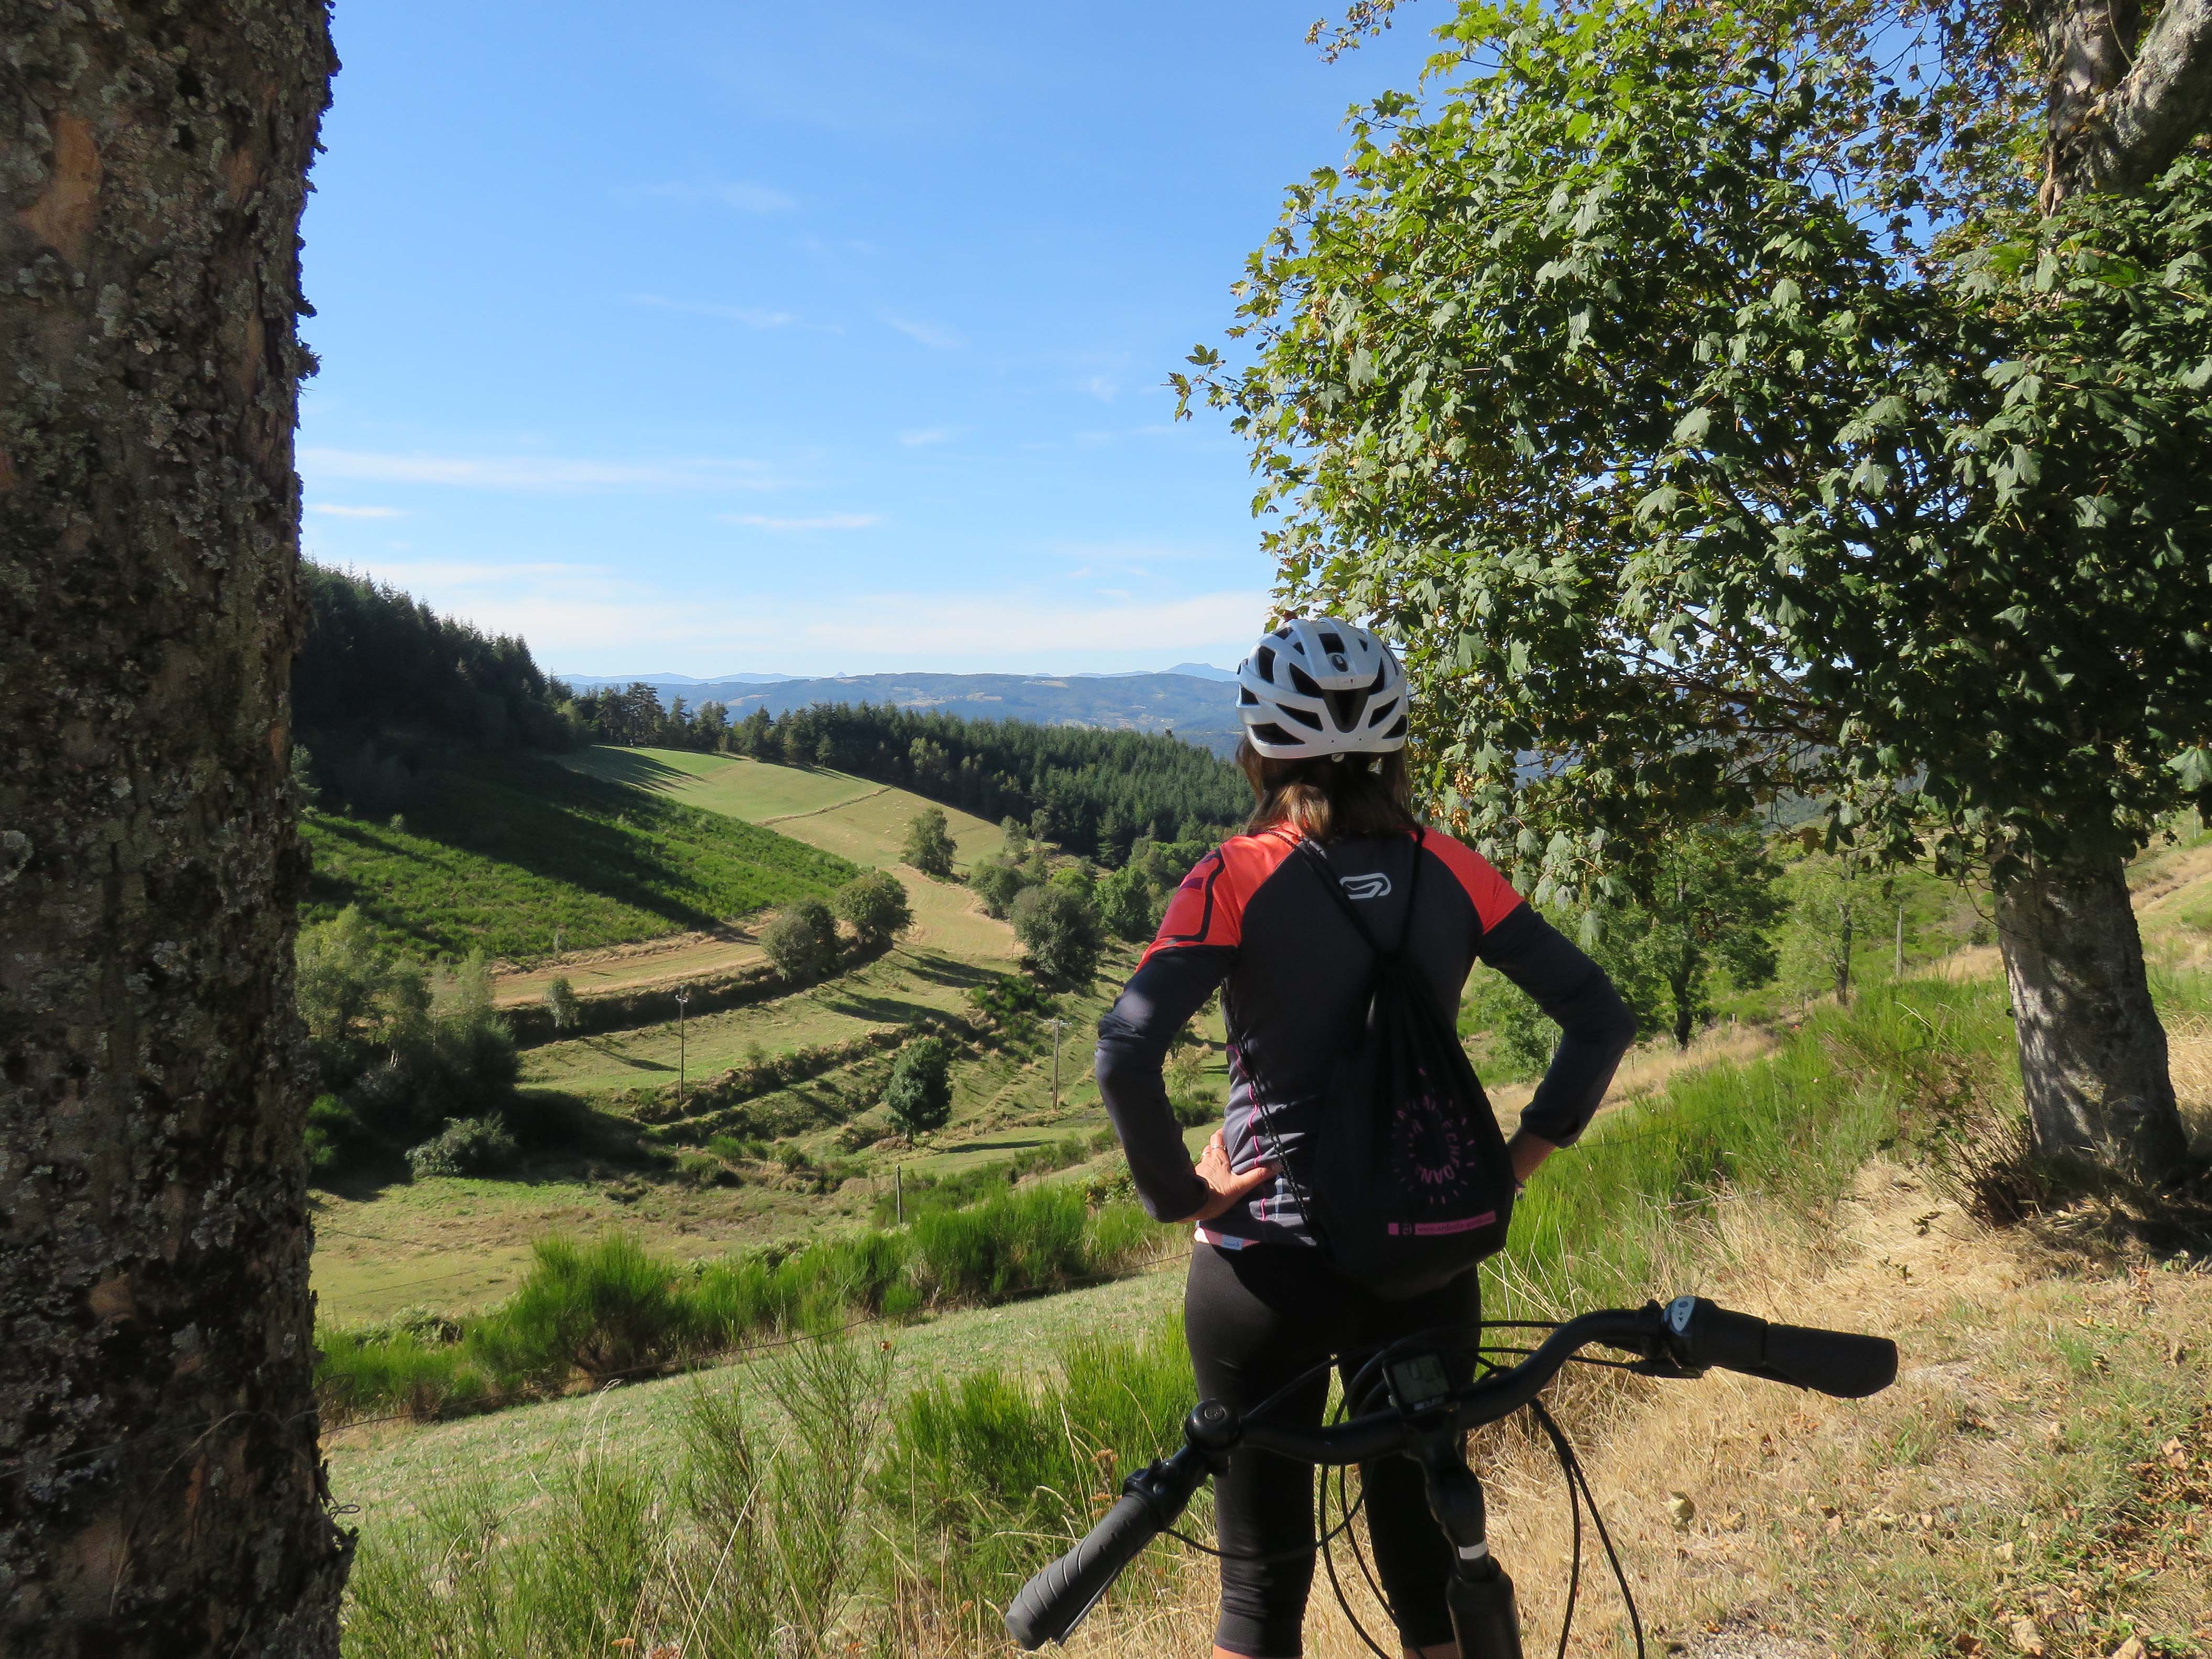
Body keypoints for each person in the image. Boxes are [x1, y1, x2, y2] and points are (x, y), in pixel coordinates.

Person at [1095, 617, 1637, 1659]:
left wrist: (1181, 1193)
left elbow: (1124, 1050)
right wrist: (1515, 1159)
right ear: (1392, 748)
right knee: (1429, 1564)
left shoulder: (1233, 874)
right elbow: (1598, 1014)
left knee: (1257, 1591)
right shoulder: (1453, 866)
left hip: (1267, 1259)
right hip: (1424, 1252)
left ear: (1258, 747)